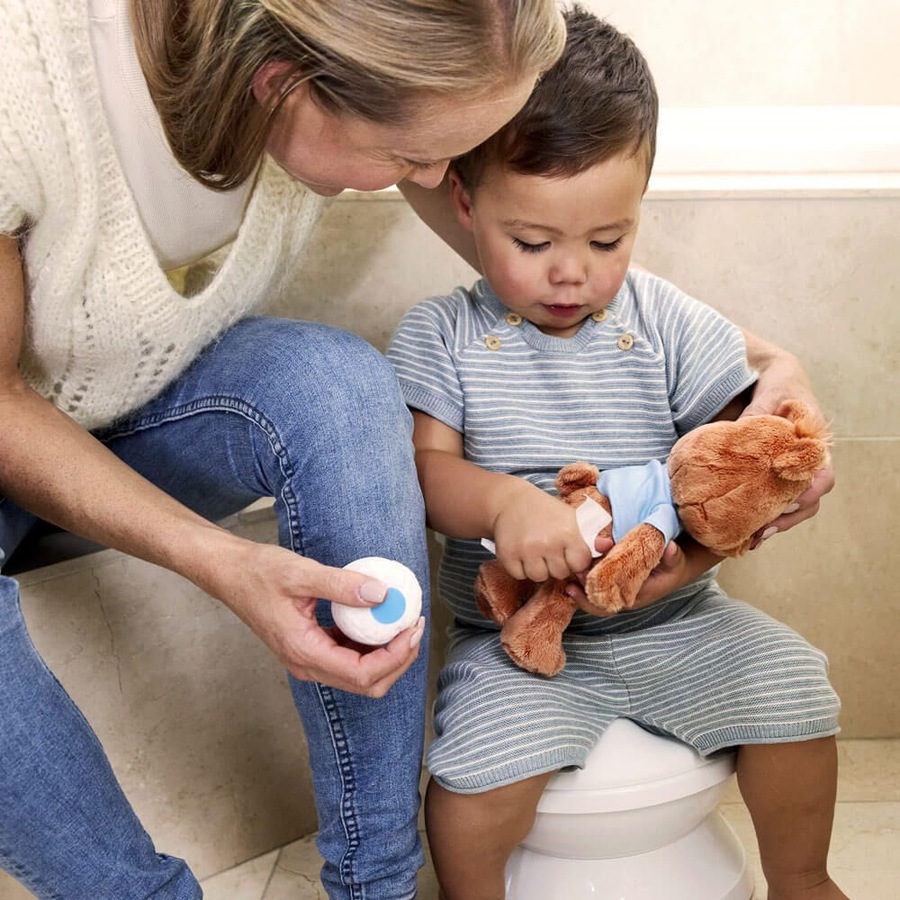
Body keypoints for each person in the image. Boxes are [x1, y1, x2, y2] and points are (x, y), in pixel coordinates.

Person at [0, 1, 568, 898]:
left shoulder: (350, 64)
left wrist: (750, 373)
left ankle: (377, 885)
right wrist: (223, 565)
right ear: (282, 84)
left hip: (118, 407)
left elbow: (550, 255)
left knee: (339, 387)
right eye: (408, 158)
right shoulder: (23, 78)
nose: (431, 180)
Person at [387, 8, 846, 900]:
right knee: (472, 774)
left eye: (608, 240)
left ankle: (802, 880)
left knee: (795, 686)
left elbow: (739, 445)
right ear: (468, 207)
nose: (574, 274)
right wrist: (504, 506)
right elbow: (427, 473)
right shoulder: (442, 335)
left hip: (678, 618)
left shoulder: (664, 318)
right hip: (521, 637)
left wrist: (758, 491)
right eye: (534, 243)